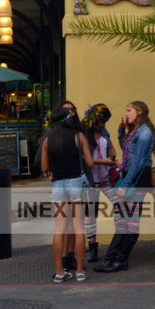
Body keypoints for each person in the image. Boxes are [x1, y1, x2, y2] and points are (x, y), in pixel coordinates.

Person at [96, 100, 155, 273]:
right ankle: (112, 259)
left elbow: (138, 161)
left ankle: (119, 259)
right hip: (130, 176)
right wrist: (120, 131)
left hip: (136, 180)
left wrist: (127, 182)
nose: (126, 113)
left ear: (139, 112)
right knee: (122, 218)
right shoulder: (135, 131)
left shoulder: (145, 133)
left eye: (129, 110)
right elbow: (127, 152)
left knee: (130, 220)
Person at [41, 106, 95, 284]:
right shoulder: (78, 137)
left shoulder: (48, 140)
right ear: (68, 120)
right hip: (75, 183)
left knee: (59, 229)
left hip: (58, 184)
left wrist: (52, 170)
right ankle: (79, 271)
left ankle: (59, 273)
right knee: (79, 228)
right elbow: (90, 162)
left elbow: (43, 168)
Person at [81, 103, 116, 265]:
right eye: (103, 122)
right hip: (91, 182)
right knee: (91, 216)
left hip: (107, 179)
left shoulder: (104, 133)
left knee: (119, 205)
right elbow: (86, 161)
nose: (104, 125)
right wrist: (104, 162)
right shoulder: (84, 136)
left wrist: (113, 158)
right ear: (95, 120)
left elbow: (112, 148)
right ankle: (93, 248)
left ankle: (119, 241)